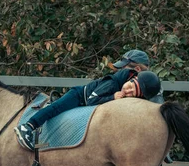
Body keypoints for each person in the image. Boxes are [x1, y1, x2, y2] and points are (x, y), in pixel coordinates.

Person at [14, 61, 162, 151]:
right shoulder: (112, 84)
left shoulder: (125, 91)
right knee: (56, 108)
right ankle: (28, 126)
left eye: (132, 93)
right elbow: (92, 100)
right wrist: (112, 97)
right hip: (79, 96)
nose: (127, 91)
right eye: (130, 86)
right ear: (131, 78)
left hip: (88, 103)